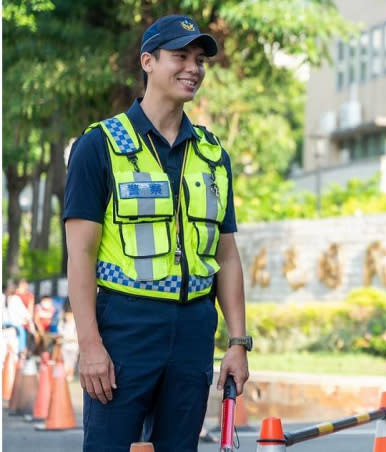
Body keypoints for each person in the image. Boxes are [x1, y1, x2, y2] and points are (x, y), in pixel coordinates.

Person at [63, 14, 251, 451]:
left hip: (193, 329)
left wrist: (238, 342)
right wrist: (90, 346)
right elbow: (80, 256)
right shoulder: (100, 145)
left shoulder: (212, 155)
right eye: (180, 56)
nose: (194, 67)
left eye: (200, 59)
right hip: (126, 326)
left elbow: (227, 254)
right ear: (148, 61)